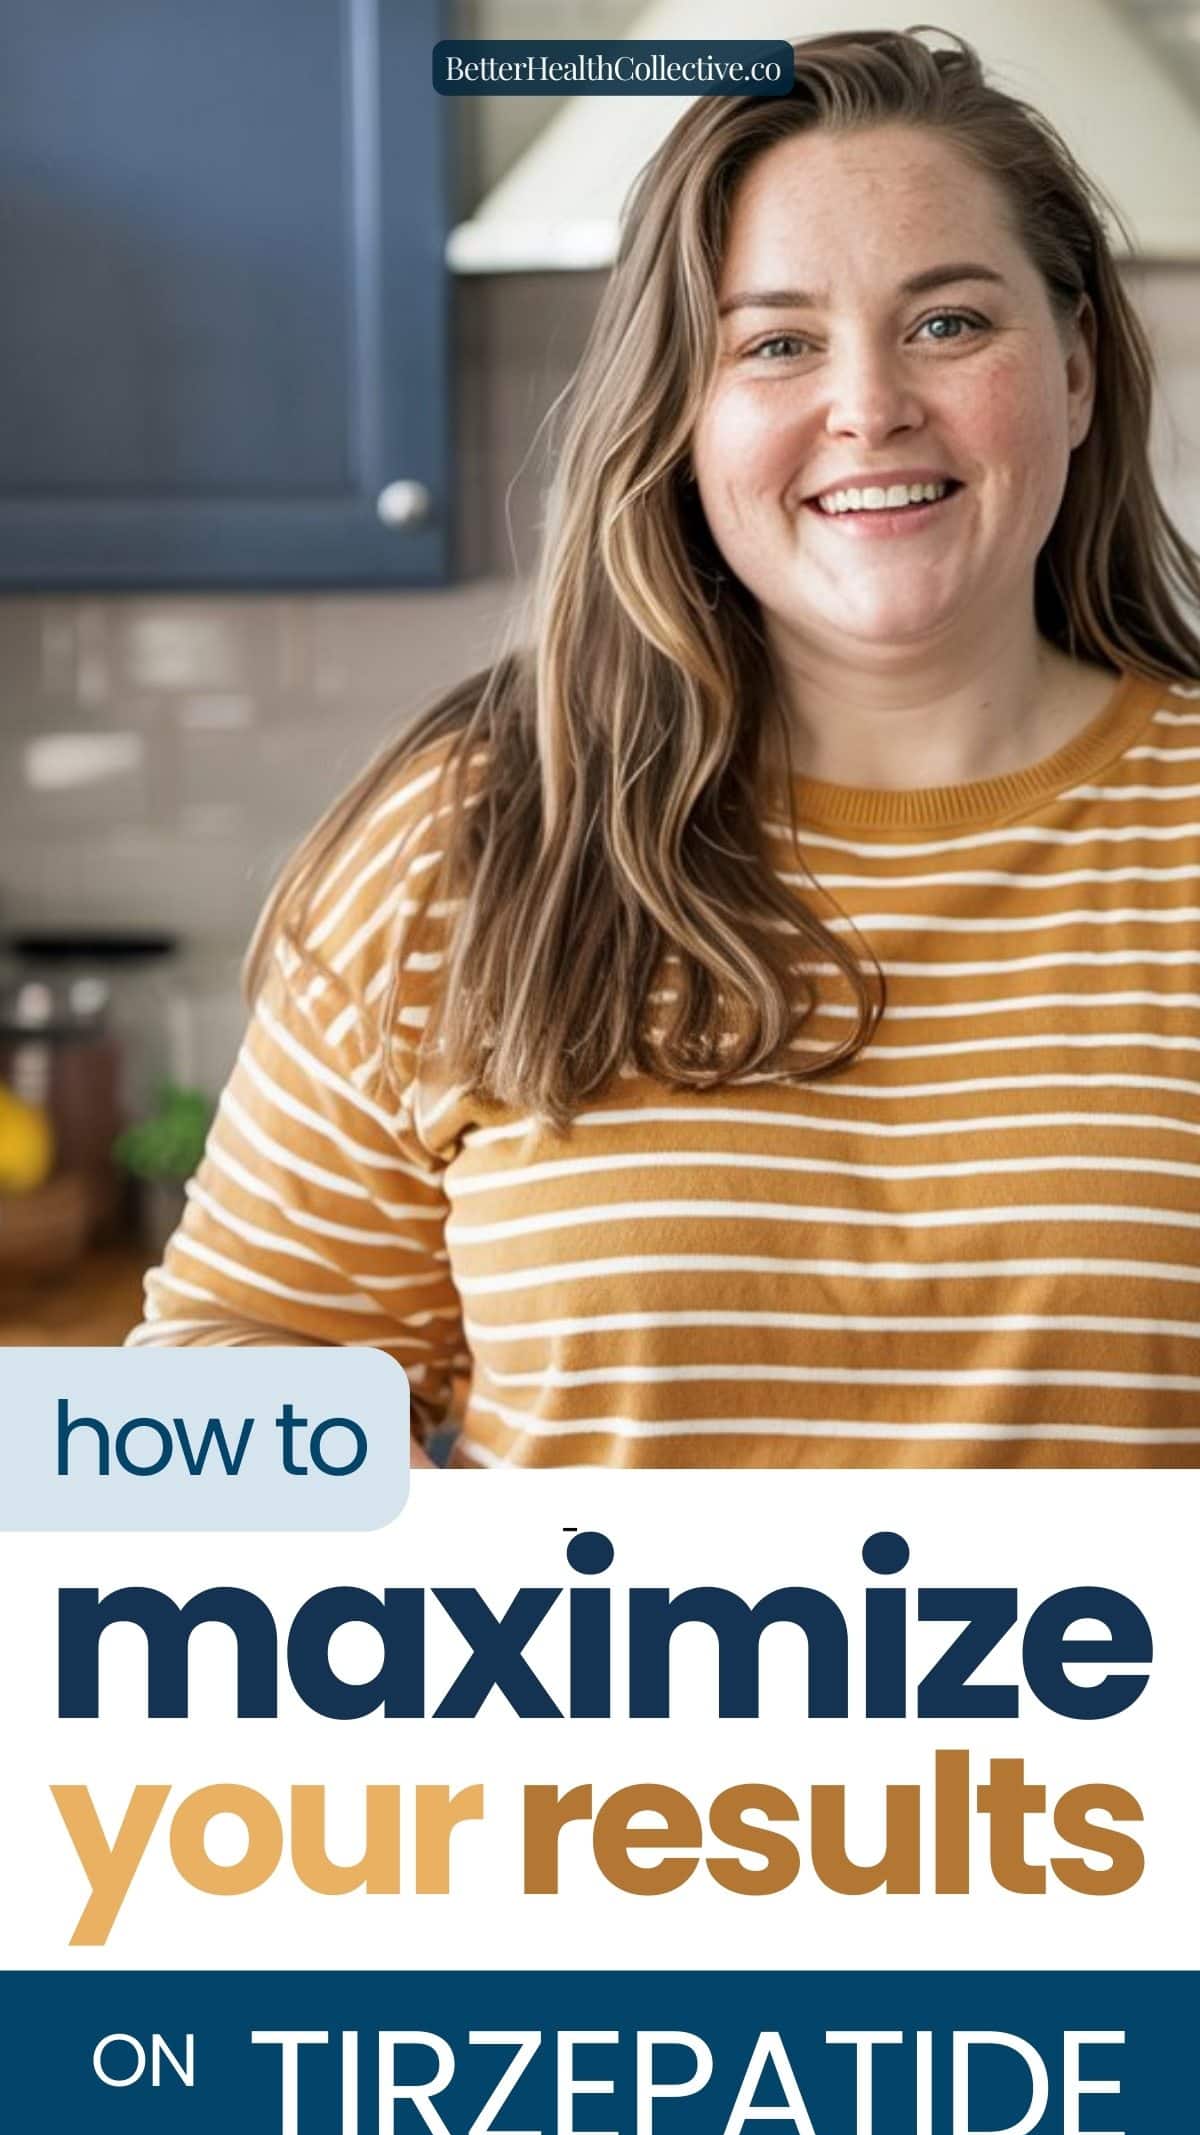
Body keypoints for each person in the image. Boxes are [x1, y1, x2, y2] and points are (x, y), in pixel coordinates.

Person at [128, 28, 1200, 1468]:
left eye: (949, 323)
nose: (870, 406)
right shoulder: (476, 836)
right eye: (776, 343)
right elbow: (220, 1373)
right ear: (682, 413)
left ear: (1073, 371)